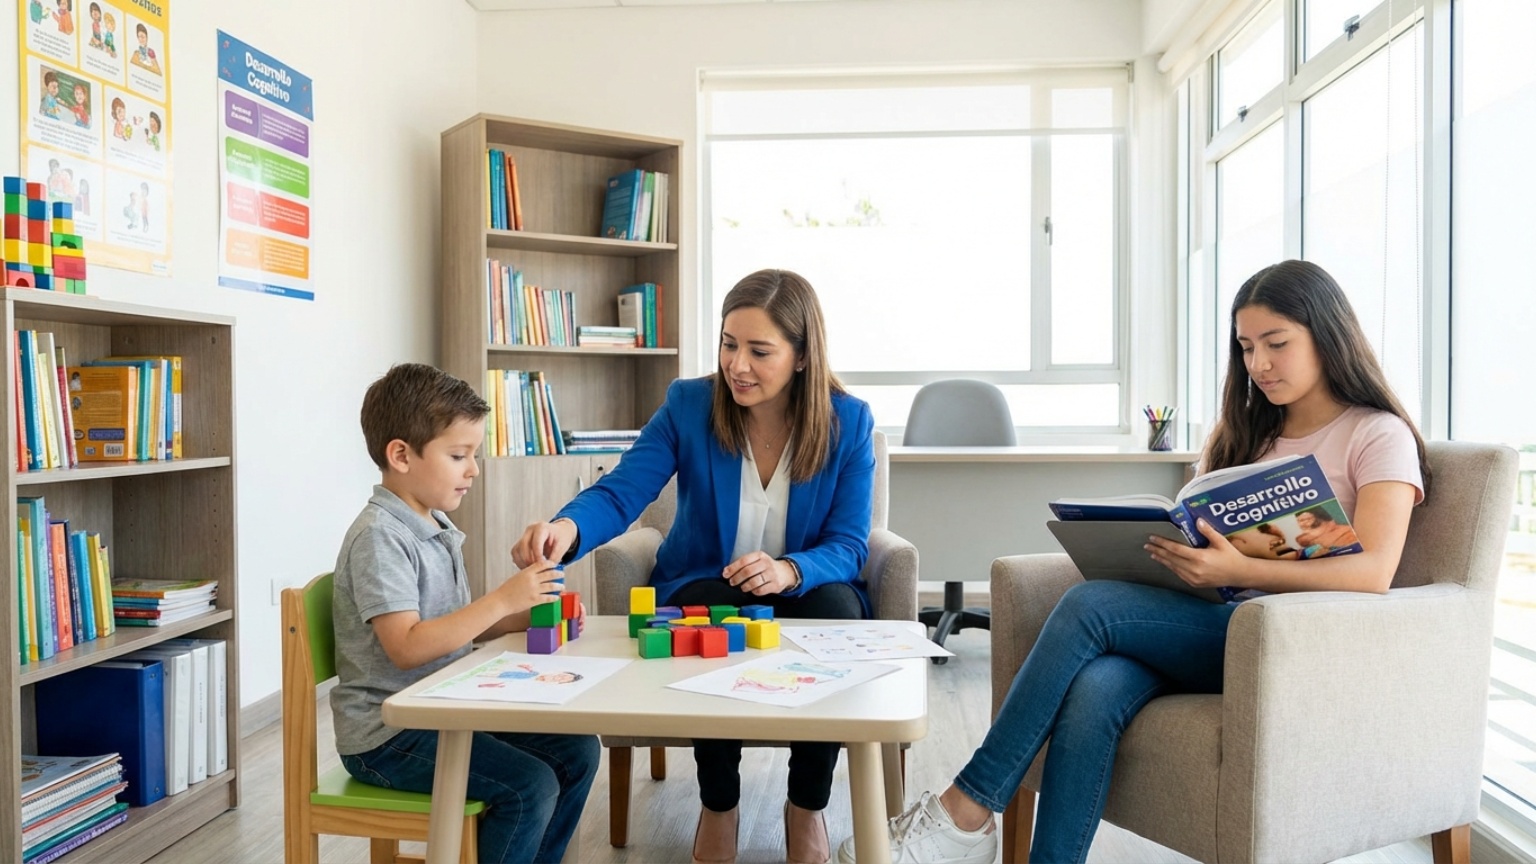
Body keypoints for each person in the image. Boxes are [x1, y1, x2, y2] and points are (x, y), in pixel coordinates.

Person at [839, 259, 1429, 864]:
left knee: (1090, 606)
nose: (1259, 365)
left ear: (1327, 336)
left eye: (1277, 344)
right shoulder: (1246, 431)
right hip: (1211, 624)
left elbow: (1374, 572)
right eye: (1247, 348)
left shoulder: (1376, 434)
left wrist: (1239, 571)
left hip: (1288, 644)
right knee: (1095, 689)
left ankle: (967, 808)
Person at [512, 268, 876, 864]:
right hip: (708, 583)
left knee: (836, 609)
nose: (738, 365)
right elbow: (623, 492)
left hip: (804, 582)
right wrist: (566, 528)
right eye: (729, 344)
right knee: (710, 604)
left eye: (760, 351)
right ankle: (719, 804)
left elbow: (849, 543)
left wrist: (789, 570)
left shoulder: (848, 421)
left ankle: (807, 806)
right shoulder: (689, 404)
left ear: (804, 356)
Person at [330, 362, 599, 863]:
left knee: (579, 749)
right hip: (389, 735)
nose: (473, 469)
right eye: (459, 455)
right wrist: (501, 599)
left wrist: (524, 614)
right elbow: (408, 646)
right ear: (401, 456)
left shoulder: (434, 524)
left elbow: (454, 626)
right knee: (528, 786)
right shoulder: (379, 538)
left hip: (444, 706)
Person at [1293, 505, 1361, 556]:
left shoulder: (1346, 533)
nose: (1302, 524)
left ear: (1319, 518)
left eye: (1306, 519)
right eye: (1299, 521)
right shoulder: (1305, 541)